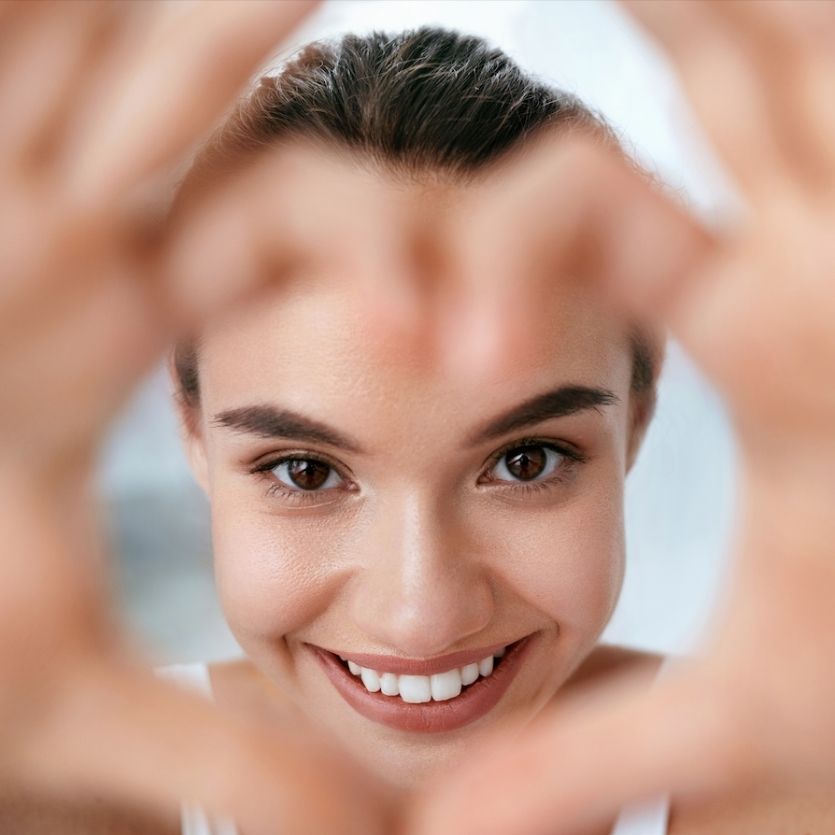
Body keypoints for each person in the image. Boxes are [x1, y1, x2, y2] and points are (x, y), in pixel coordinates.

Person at [2, 3, 835, 835]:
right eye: (306, 470)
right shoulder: (58, 785)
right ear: (192, 431)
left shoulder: (788, 772)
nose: (421, 614)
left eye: (526, 460)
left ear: (636, 422)